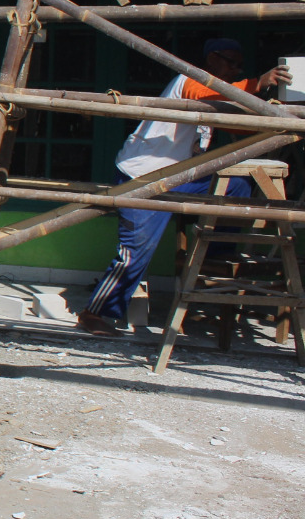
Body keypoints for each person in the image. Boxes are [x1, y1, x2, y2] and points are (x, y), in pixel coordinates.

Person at [76, 37, 291, 336]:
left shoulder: (216, 98)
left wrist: (275, 118)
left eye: (239, 66)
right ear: (211, 59)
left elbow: (234, 122)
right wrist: (256, 84)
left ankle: (216, 258)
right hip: (144, 177)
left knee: (236, 187)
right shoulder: (190, 78)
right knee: (135, 253)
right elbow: (216, 96)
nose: (235, 70)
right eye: (231, 63)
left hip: (179, 176)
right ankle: (94, 313)